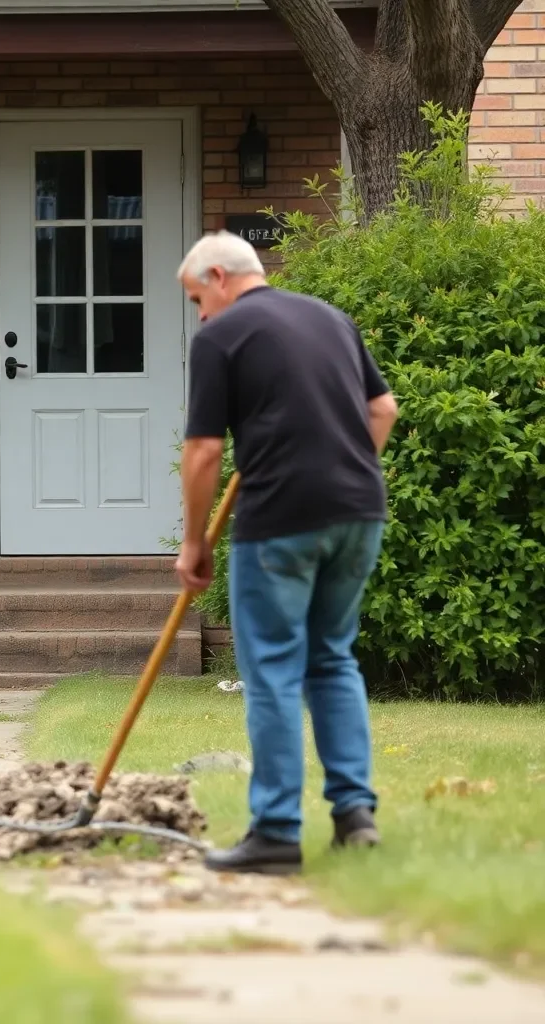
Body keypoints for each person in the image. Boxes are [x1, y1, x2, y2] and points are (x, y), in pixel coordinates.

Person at [175, 231, 398, 876]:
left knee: (271, 669)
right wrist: (343, 467)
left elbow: (205, 451)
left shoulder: (221, 336)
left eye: (197, 298)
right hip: (359, 510)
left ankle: (275, 832)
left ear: (219, 276)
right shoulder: (329, 317)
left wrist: (194, 542)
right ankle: (356, 817)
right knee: (330, 659)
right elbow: (382, 410)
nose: (200, 315)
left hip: (280, 520)